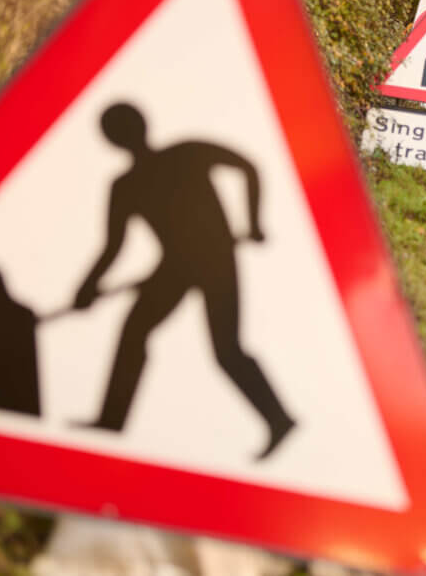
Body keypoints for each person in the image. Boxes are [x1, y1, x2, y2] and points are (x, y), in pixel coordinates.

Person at [73, 102, 294, 460]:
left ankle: (279, 419)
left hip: (215, 261)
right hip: (175, 267)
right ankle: (111, 421)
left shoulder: (179, 157)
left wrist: (253, 221)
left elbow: (247, 167)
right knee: (136, 333)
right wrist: (86, 287)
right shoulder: (137, 180)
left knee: (225, 349)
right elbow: (113, 247)